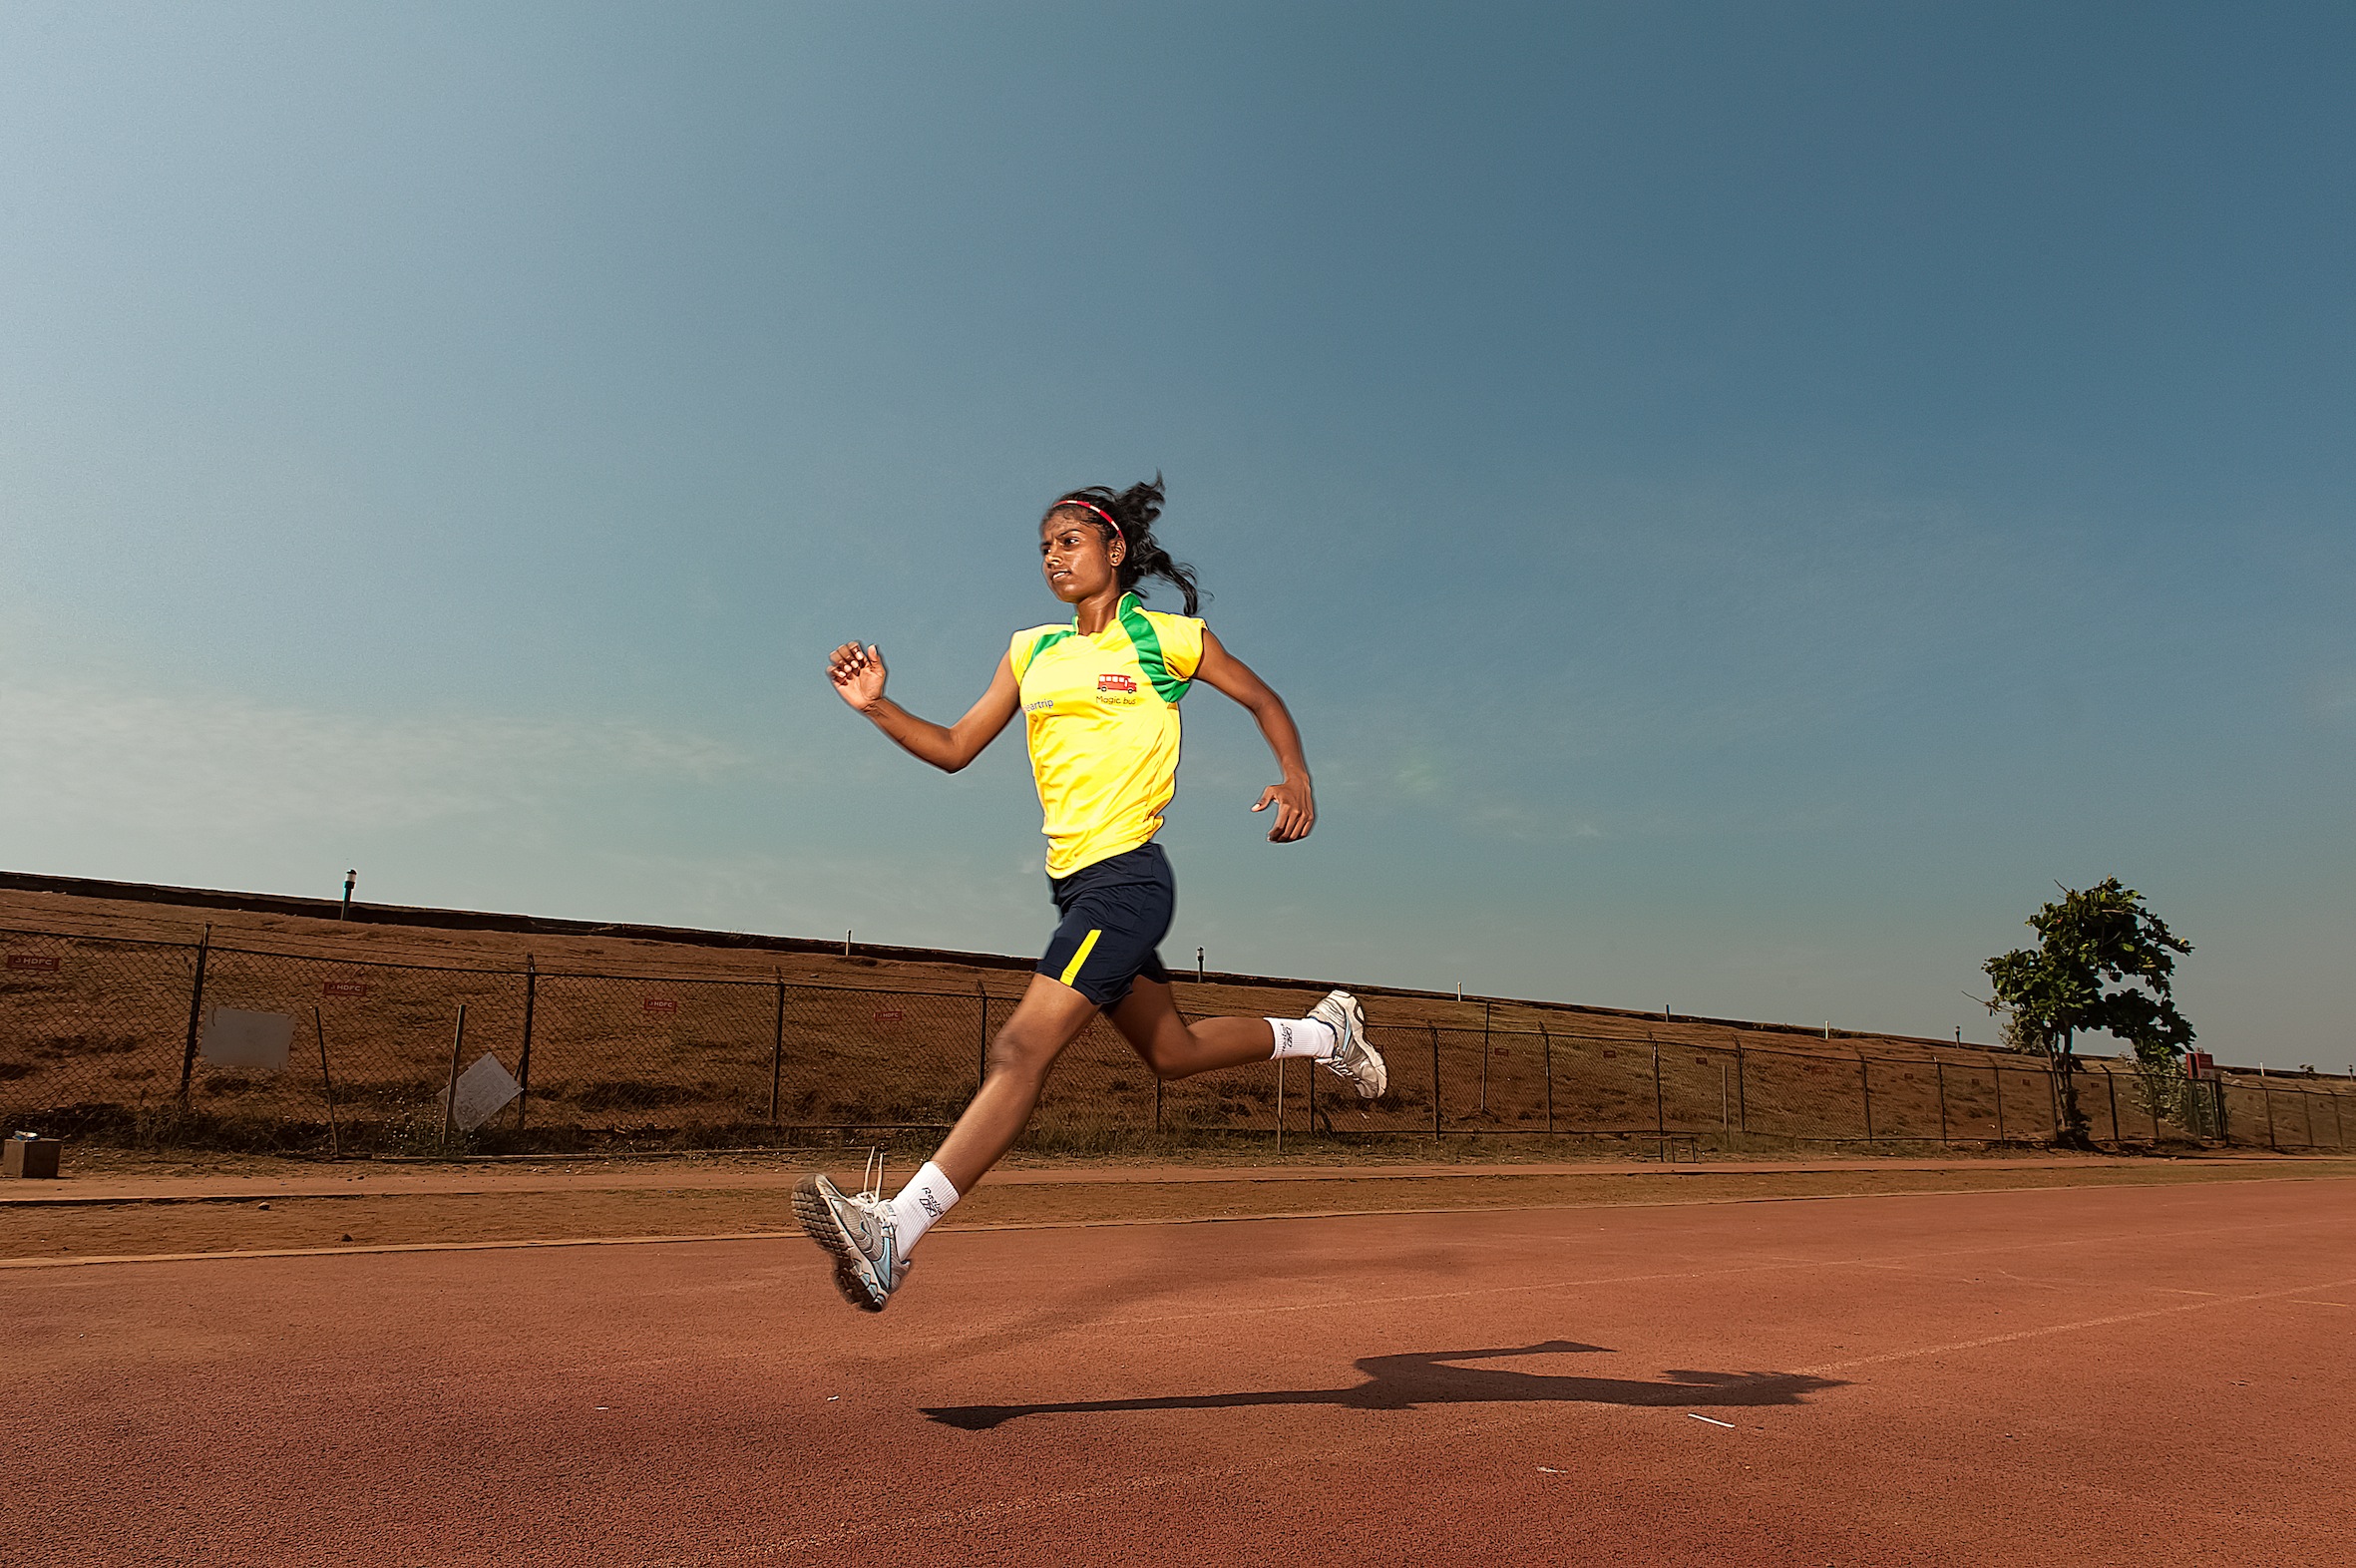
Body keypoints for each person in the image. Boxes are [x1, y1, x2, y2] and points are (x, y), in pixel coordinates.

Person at [794, 477, 1385, 1311]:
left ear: (1114, 550)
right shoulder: (1030, 650)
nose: (1052, 557)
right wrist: (877, 705)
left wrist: (1295, 775)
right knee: (1172, 1054)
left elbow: (1263, 698)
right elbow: (958, 745)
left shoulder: (1168, 640)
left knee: (1018, 1053)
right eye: (1043, 547)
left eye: (1068, 541)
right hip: (1078, 891)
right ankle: (1324, 1034)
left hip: (1127, 881)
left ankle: (897, 1228)